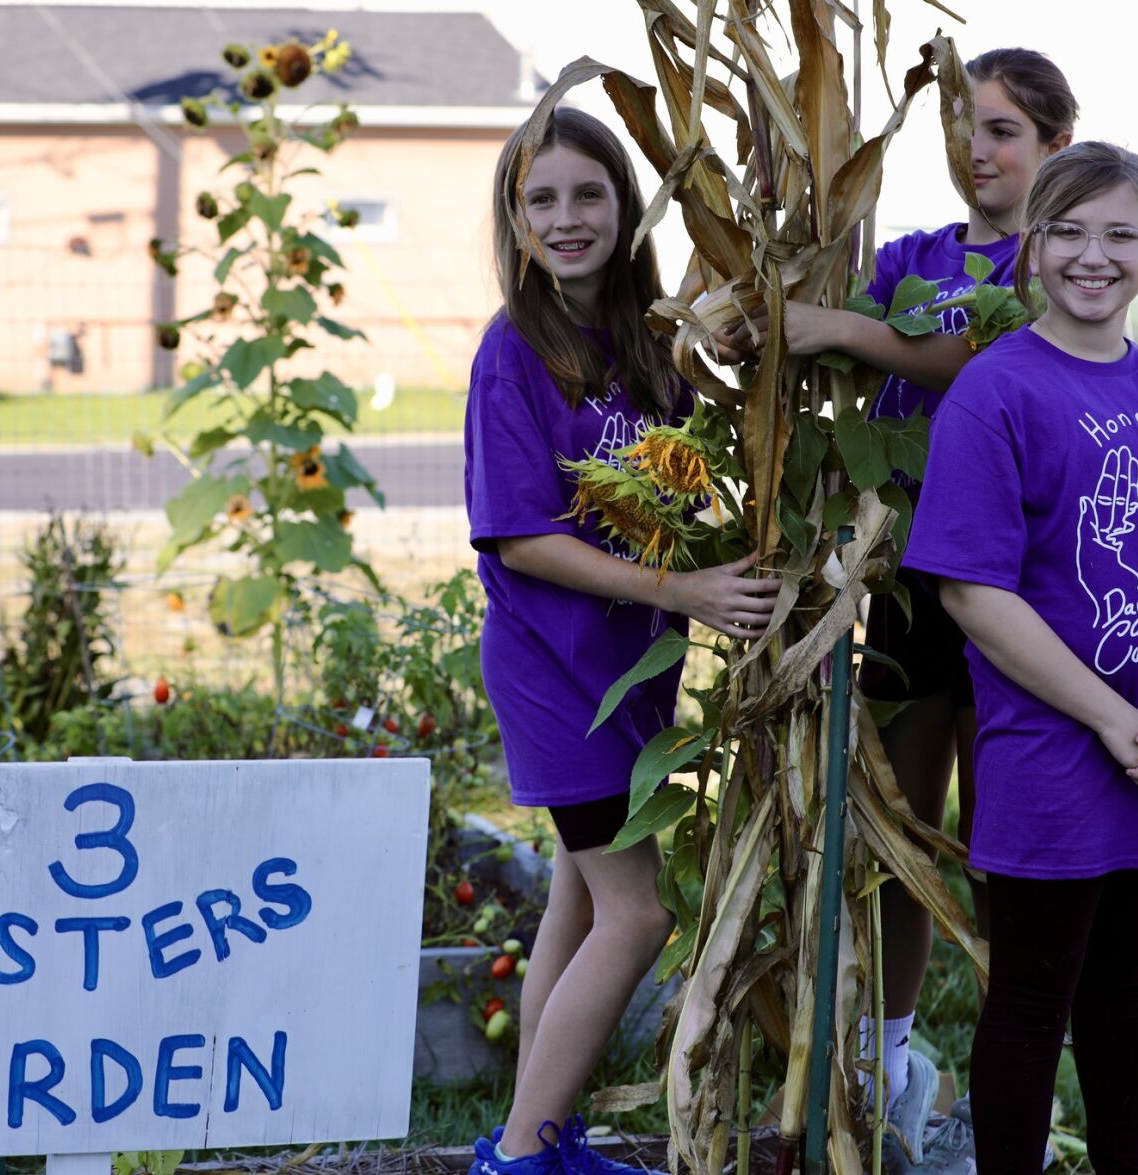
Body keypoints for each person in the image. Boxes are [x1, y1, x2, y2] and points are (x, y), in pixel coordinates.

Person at [716, 47, 1079, 1168]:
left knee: (1004, 841)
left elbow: (979, 363)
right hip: (903, 576)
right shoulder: (913, 257)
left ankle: (1012, 1064)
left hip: (1019, 582)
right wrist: (765, 325)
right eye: (967, 124)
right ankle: (886, 1058)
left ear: (1054, 148)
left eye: (1006, 129)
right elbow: (836, 350)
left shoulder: (1057, 261)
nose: (980, 146)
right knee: (900, 827)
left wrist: (840, 332)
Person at [901, 141, 1138, 1172]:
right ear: (1031, 249)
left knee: (1121, 979)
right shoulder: (995, 392)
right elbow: (970, 587)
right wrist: (1109, 716)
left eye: (1117, 234)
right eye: (1066, 232)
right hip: (1053, 754)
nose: (1091, 256)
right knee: (1029, 996)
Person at [463, 107, 782, 1175]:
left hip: (628, 673)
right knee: (636, 915)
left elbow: (709, 441)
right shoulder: (513, 351)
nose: (565, 218)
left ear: (625, 205)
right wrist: (681, 583)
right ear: (512, 219)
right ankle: (516, 1156)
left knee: (579, 891)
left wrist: (731, 341)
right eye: (539, 199)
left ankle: (541, 1137)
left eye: (586, 194)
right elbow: (519, 538)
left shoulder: (650, 340)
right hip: (557, 673)